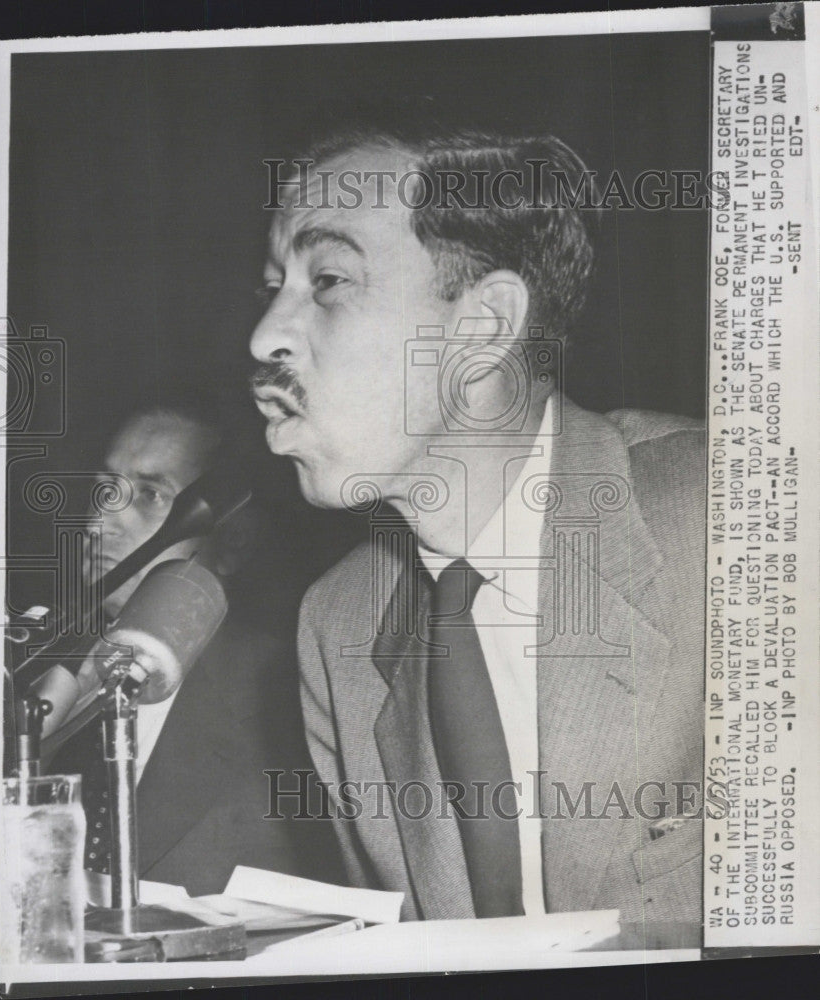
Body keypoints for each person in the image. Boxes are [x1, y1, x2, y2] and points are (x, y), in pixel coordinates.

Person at [248, 118, 706, 947]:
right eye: (272, 287)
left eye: (327, 281)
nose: (264, 337)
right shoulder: (338, 623)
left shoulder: (735, 515)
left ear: (484, 326)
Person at [49, 392, 342, 895]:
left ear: (234, 539)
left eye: (150, 495)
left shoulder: (296, 704)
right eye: (102, 490)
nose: (102, 521)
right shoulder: (44, 684)